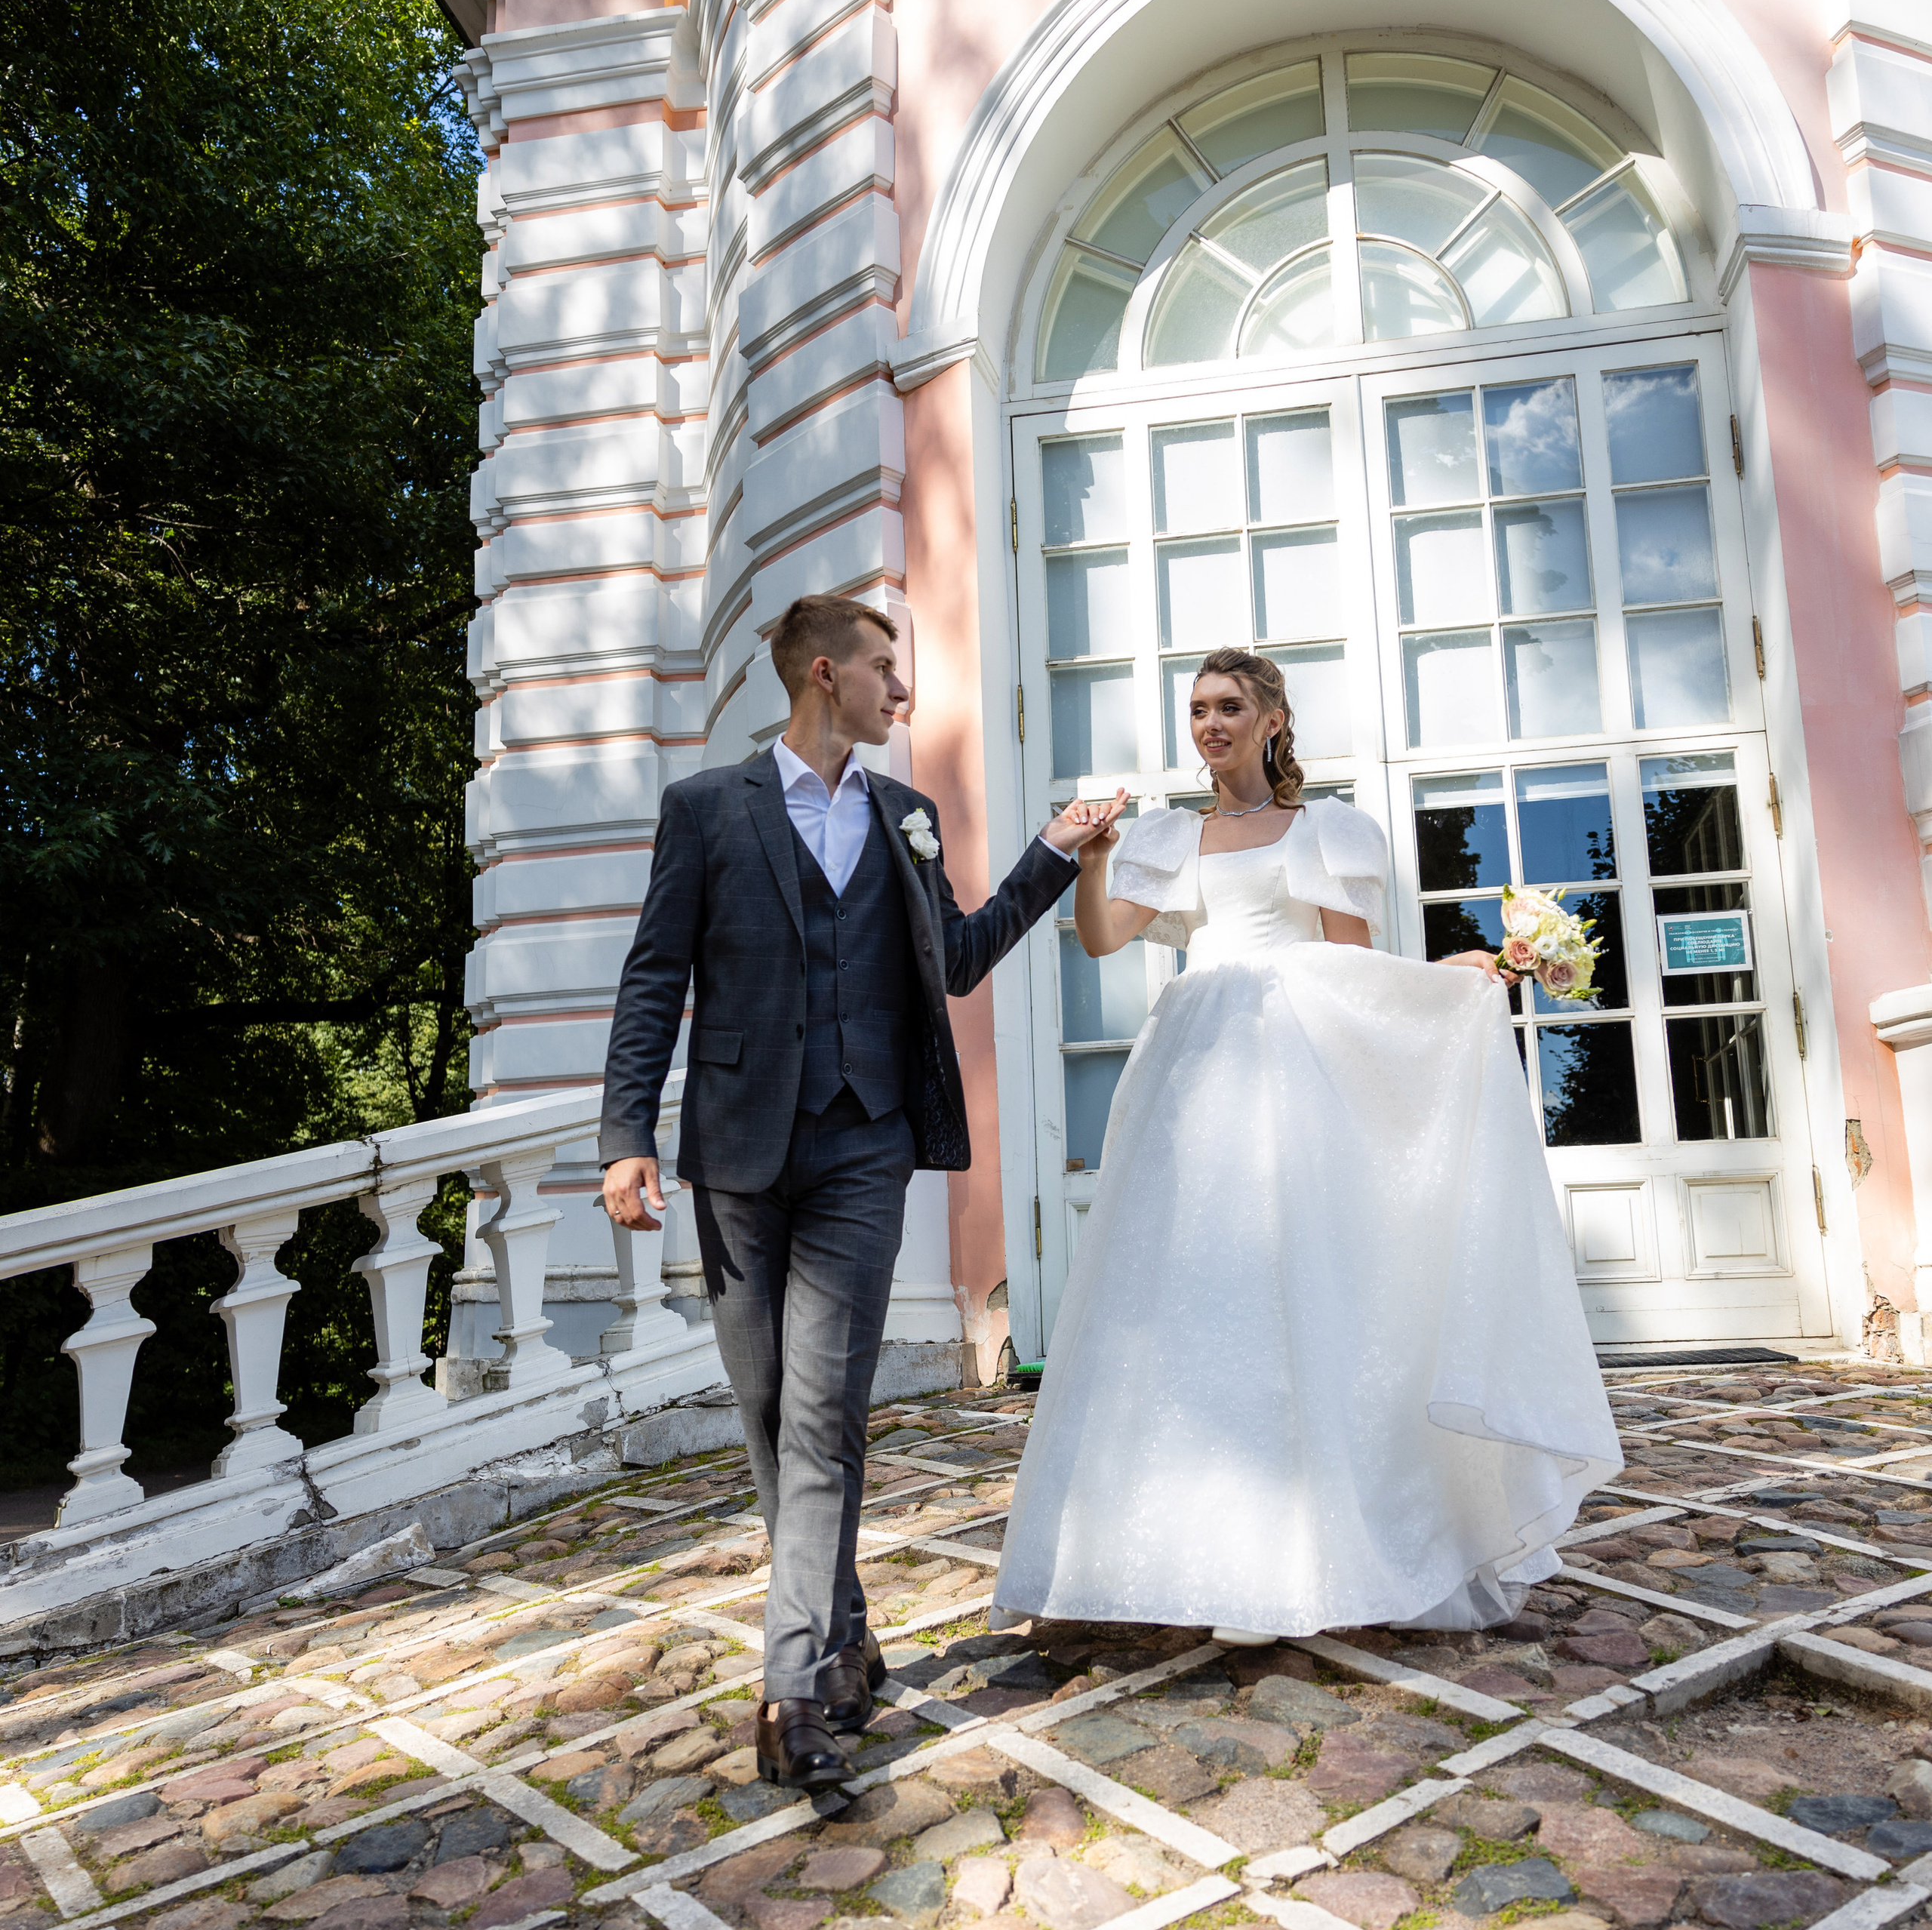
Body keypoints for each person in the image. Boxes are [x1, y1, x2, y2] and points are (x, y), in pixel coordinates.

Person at [599, 593, 1125, 1789]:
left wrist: (1056, 854)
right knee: (772, 1413)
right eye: (888, 670)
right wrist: (625, 1132)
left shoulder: (907, 815)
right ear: (824, 675)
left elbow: (954, 960)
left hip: (864, 1146)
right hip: (737, 1150)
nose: (904, 693)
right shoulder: (706, 812)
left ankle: (795, 1693)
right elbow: (653, 980)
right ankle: (840, 1630)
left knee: (826, 1413)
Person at [994, 645, 1620, 1646]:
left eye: (1230, 706)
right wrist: (1096, 856)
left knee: (1301, 1287)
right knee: (1182, 1292)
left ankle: (1319, 1549)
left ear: (1274, 718)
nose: (1210, 724)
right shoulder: (1173, 837)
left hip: (1292, 1064)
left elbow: (1351, 968)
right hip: (1193, 1073)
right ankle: (1156, 1553)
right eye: (1198, 708)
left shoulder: (1326, 831)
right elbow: (1107, 938)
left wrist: (1458, 981)